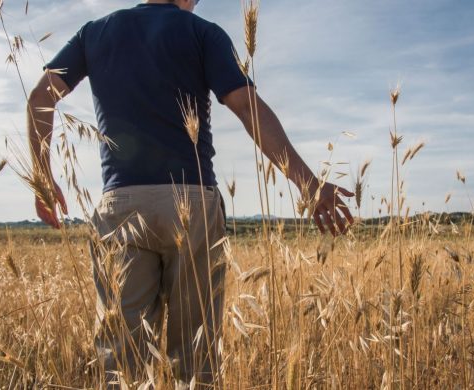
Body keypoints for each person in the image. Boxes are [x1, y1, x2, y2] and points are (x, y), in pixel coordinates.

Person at [26, 0, 354, 386]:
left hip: (121, 206)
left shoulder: (94, 32)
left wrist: (43, 177)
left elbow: (40, 98)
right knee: (195, 363)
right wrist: (309, 184)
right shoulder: (202, 33)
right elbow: (247, 107)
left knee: (120, 364)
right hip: (192, 202)